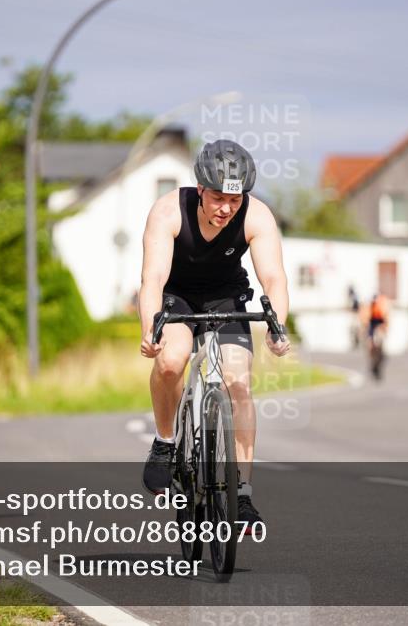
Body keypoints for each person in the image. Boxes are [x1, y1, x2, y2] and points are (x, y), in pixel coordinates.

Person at [137, 139, 291, 533]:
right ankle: (165, 442)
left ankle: (241, 494)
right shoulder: (169, 210)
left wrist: (278, 325)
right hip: (178, 295)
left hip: (227, 295)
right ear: (201, 189)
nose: (226, 209)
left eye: (235, 201)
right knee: (172, 361)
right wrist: (149, 328)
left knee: (238, 383)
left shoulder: (257, 216)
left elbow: (273, 277)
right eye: (218, 198)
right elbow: (152, 278)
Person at [367, 292, 390, 380]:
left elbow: (385, 320)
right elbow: (369, 323)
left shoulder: (381, 308)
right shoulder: (371, 308)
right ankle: (374, 360)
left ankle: (379, 358)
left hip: (379, 329)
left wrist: (384, 329)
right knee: (372, 347)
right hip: (373, 329)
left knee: (380, 347)